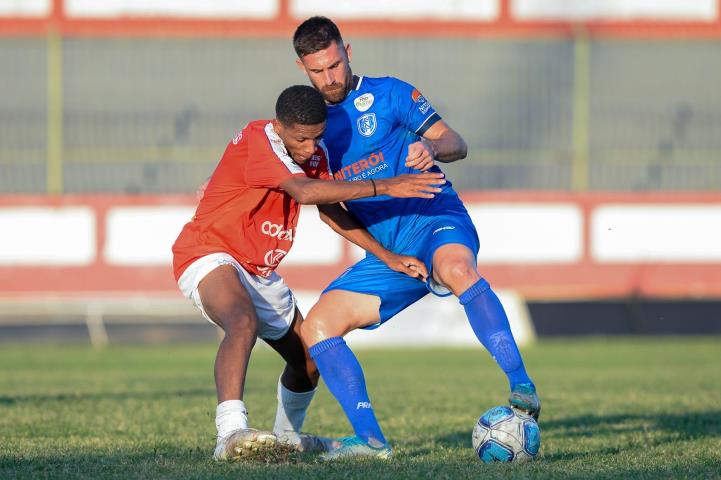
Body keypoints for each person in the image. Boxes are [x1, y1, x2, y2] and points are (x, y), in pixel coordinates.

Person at [292, 17, 541, 460]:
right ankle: (371, 442)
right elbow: (326, 204)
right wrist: (385, 256)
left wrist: (433, 148)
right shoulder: (310, 128)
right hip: (394, 252)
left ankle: (521, 387)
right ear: (302, 68)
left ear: (347, 50)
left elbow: (455, 141)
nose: (329, 78)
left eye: (334, 65)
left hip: (435, 217)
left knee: (457, 269)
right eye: (318, 71)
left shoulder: (390, 93)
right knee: (317, 327)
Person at [171, 85, 446, 461]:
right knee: (241, 320)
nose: (310, 147)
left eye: (317, 137)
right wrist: (385, 185)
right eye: (301, 138)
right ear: (280, 126)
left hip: (259, 270)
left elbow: (330, 207)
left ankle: (283, 441)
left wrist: (387, 256)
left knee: (309, 361)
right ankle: (230, 434)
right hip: (209, 251)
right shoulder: (259, 138)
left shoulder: (315, 154)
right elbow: (303, 192)